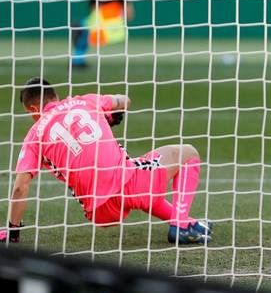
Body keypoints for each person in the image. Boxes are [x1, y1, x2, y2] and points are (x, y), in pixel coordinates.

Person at [0, 78, 212, 245]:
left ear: (32, 109)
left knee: (143, 188)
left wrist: (12, 230)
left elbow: (20, 187)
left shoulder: (34, 135)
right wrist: (112, 114)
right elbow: (124, 100)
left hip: (99, 211)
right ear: (56, 96)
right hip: (126, 182)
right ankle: (181, 225)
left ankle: (190, 223)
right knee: (188, 153)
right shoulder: (85, 101)